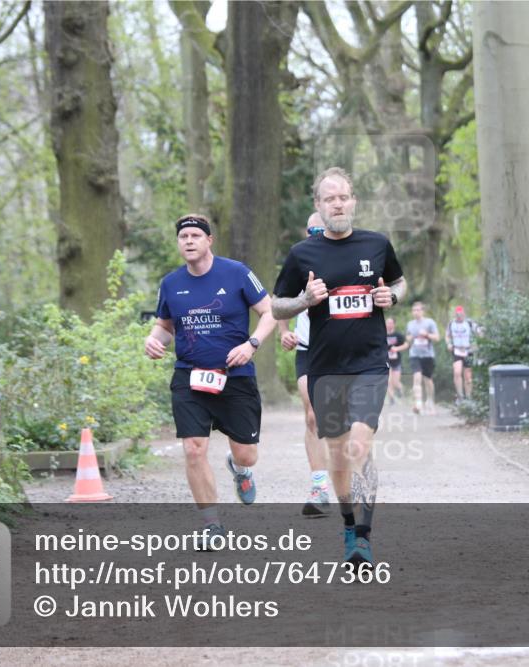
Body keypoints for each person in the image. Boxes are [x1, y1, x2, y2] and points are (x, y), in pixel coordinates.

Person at [271, 167, 407, 567]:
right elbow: (276, 304)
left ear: (354, 201)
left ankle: (363, 538)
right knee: (338, 454)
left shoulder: (377, 244)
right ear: (319, 206)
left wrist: (390, 297)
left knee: (359, 445)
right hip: (324, 368)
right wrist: (303, 301)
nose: (338, 203)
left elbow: (399, 283)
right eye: (330, 198)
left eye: (344, 197)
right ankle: (348, 524)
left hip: (369, 363)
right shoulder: (302, 255)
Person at [144, 214, 276, 549]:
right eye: (182, 236)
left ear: (209, 240)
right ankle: (211, 525)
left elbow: (270, 311)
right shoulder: (171, 283)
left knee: (247, 455)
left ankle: (241, 470)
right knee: (193, 448)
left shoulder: (236, 273)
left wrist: (252, 344)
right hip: (189, 375)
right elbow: (165, 325)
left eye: (194, 235)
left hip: (235, 376)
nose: (188, 241)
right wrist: (153, 340)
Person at [277, 213, 332, 517]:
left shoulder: (350, 260)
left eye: (322, 229)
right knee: (312, 415)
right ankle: (319, 486)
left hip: (344, 350)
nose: (317, 234)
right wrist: (285, 332)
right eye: (312, 229)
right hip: (309, 349)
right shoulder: (300, 260)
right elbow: (281, 299)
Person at [406, 301, 439, 415]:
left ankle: (430, 401)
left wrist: (427, 334)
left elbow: (437, 337)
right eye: (414, 310)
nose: (416, 312)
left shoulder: (430, 322)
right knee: (417, 376)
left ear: (422, 311)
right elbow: (408, 337)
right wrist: (409, 338)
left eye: (418, 310)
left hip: (428, 355)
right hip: (415, 354)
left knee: (428, 380)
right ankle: (418, 403)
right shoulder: (410, 324)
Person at [446, 305, 481, 401]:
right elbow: (448, 336)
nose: (459, 317)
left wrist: (478, 340)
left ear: (464, 314)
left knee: (468, 376)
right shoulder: (451, 324)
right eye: (457, 315)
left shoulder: (469, 323)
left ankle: (469, 397)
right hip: (456, 350)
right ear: (455, 315)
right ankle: (460, 396)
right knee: (457, 372)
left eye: (461, 315)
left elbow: (479, 332)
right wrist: (449, 343)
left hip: (468, 350)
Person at [385, 317, 409, 405]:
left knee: (395, 382)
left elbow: (406, 345)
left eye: (391, 323)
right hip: (386, 361)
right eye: (387, 323)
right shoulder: (382, 334)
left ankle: (400, 389)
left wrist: (396, 349)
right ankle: (391, 399)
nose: (389, 325)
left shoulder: (398, 335)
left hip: (396, 361)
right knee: (388, 381)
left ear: (394, 324)